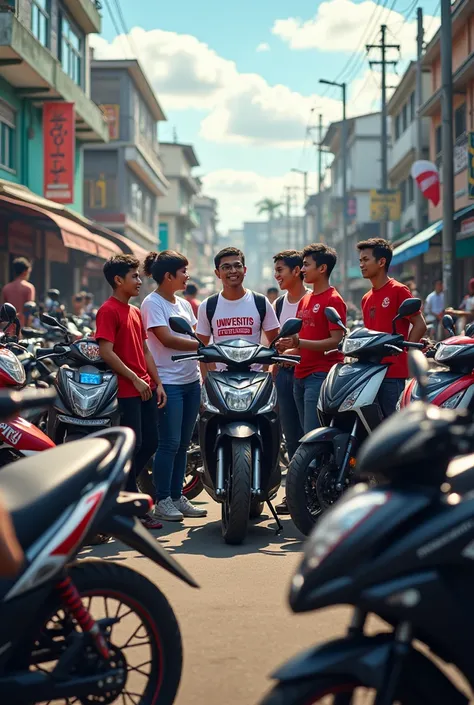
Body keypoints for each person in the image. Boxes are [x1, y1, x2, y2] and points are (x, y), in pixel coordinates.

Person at [95, 254, 166, 530]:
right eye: (134, 276)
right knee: (132, 446)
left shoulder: (135, 311)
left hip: (145, 387)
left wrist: (156, 382)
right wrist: (135, 379)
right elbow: (106, 351)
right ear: (118, 280)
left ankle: (115, 491)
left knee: (150, 443)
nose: (139, 280)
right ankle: (131, 504)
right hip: (126, 389)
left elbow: (145, 350)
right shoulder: (108, 310)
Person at [141, 251, 206, 522]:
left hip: (191, 381)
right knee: (169, 443)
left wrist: (204, 372)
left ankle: (178, 497)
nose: (187, 276)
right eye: (183, 271)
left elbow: (195, 334)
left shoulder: (184, 305)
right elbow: (167, 339)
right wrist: (205, 346)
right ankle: (163, 499)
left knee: (182, 445)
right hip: (168, 382)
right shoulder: (152, 303)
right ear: (168, 276)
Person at [277, 243, 346, 435]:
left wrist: (299, 343)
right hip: (300, 374)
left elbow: (336, 341)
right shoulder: (306, 300)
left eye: (307, 265)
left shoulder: (333, 299)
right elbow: (304, 336)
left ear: (322, 268)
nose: (303, 270)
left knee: (312, 435)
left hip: (320, 375)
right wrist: (289, 348)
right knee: (300, 434)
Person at [358, 238, 427, 417]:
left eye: (366, 260)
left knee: (392, 422)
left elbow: (419, 325)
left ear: (381, 262)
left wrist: (405, 351)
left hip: (392, 372)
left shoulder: (399, 290)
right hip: (369, 372)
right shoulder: (366, 298)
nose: (361, 265)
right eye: (360, 261)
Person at [272, 250, 308, 515]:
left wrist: (294, 352)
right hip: (284, 376)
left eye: (281, 270)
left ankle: (313, 492)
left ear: (297, 271)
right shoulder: (279, 305)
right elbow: (273, 342)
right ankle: (294, 495)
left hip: (309, 375)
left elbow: (327, 341)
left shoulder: (313, 300)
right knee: (291, 437)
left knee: (311, 436)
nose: (277, 276)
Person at [196, 246, 279, 356]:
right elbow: (202, 349)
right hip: (219, 373)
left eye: (237, 266)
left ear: (244, 270)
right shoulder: (207, 306)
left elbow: (275, 343)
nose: (233, 271)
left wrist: (265, 370)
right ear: (217, 273)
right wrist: (208, 373)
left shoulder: (260, 302)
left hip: (255, 372)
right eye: (226, 267)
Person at [1, 257, 35, 327]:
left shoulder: (6, 288)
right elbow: (29, 310)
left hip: (8, 327)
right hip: (22, 327)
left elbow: (2, 309)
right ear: (25, 271)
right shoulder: (29, 288)